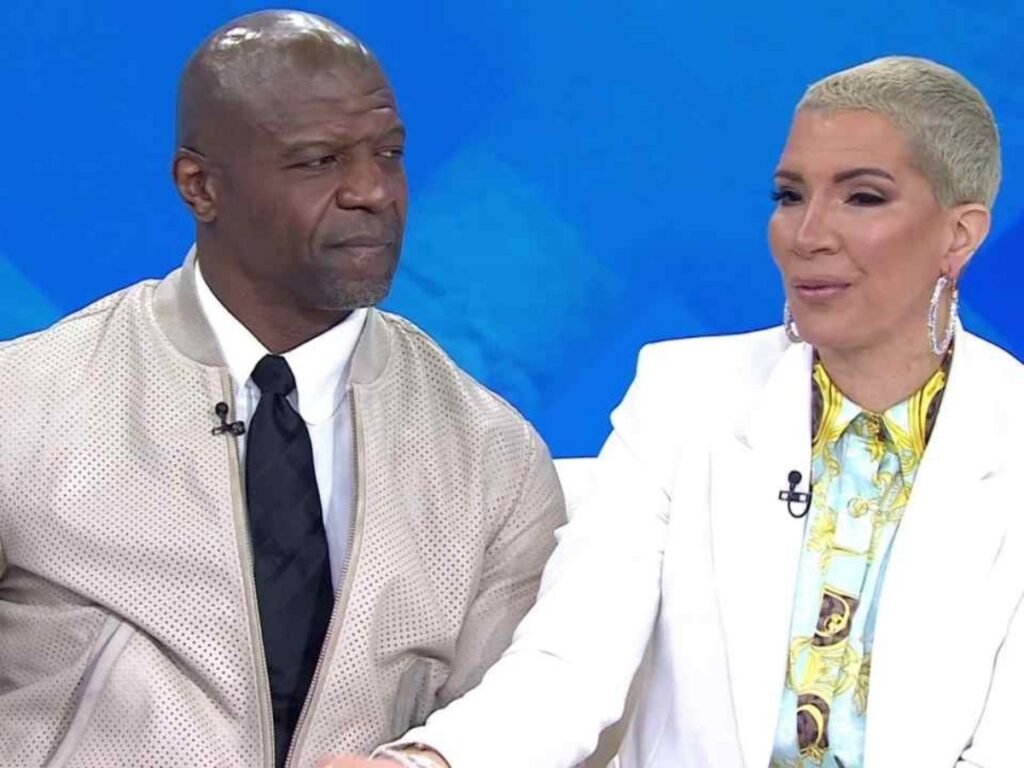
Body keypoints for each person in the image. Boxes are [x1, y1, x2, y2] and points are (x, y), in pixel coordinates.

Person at [326, 56, 1024, 768]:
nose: (808, 234)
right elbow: (570, 664)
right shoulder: (684, 397)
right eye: (790, 197)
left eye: (863, 198)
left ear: (960, 235)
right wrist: (430, 762)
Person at [0, 11, 564, 767]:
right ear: (201, 187)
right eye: (319, 161)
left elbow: (515, 729)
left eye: (388, 154)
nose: (372, 191)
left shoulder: (493, 460)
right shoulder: (26, 402)